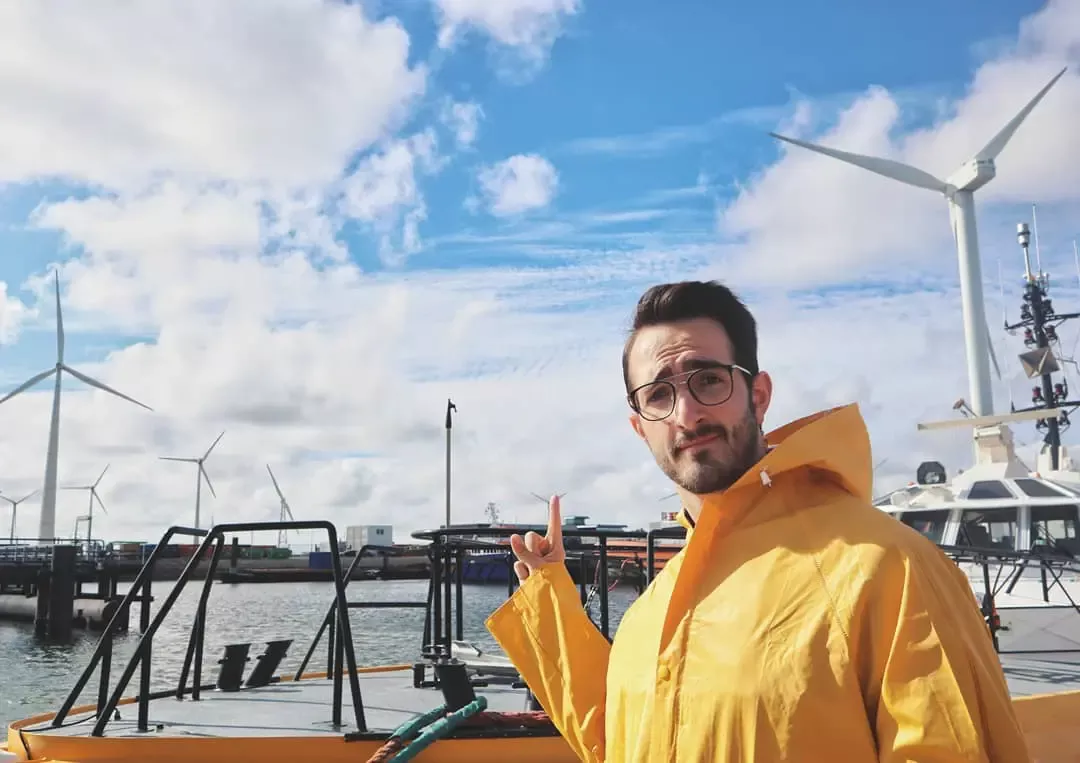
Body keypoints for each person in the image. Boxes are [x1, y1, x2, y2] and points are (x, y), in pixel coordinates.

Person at [485, 280, 1030, 762]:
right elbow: (616, 741)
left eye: (708, 381)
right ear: (639, 427)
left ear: (759, 394)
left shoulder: (887, 569)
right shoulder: (653, 610)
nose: (687, 413)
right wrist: (550, 605)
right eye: (658, 394)